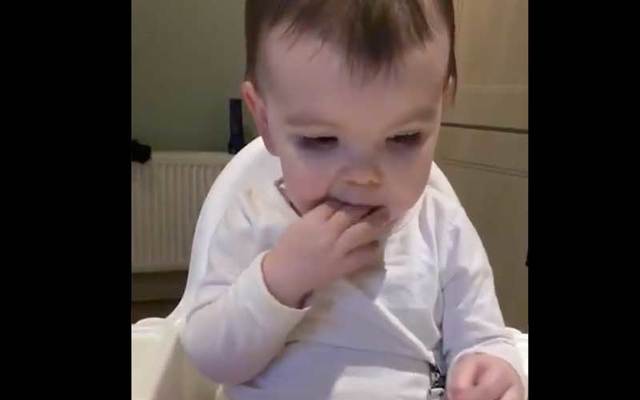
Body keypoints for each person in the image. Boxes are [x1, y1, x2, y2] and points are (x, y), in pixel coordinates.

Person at [181, 1, 527, 399]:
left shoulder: (441, 227)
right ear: (265, 120)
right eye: (321, 140)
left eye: (403, 138)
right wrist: (281, 279)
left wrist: (491, 369)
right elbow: (208, 358)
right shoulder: (253, 217)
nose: (364, 178)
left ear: (441, 105)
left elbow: (485, 339)